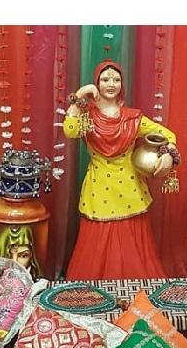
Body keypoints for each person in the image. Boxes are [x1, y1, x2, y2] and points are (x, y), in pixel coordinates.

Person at [62, 60, 180, 279]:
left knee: (132, 249)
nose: (111, 84)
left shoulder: (133, 118)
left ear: (122, 84)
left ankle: (133, 291)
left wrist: (168, 152)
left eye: (116, 79)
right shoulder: (88, 116)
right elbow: (70, 130)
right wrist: (80, 95)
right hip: (99, 190)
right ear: (97, 83)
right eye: (105, 79)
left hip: (130, 190)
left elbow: (167, 134)